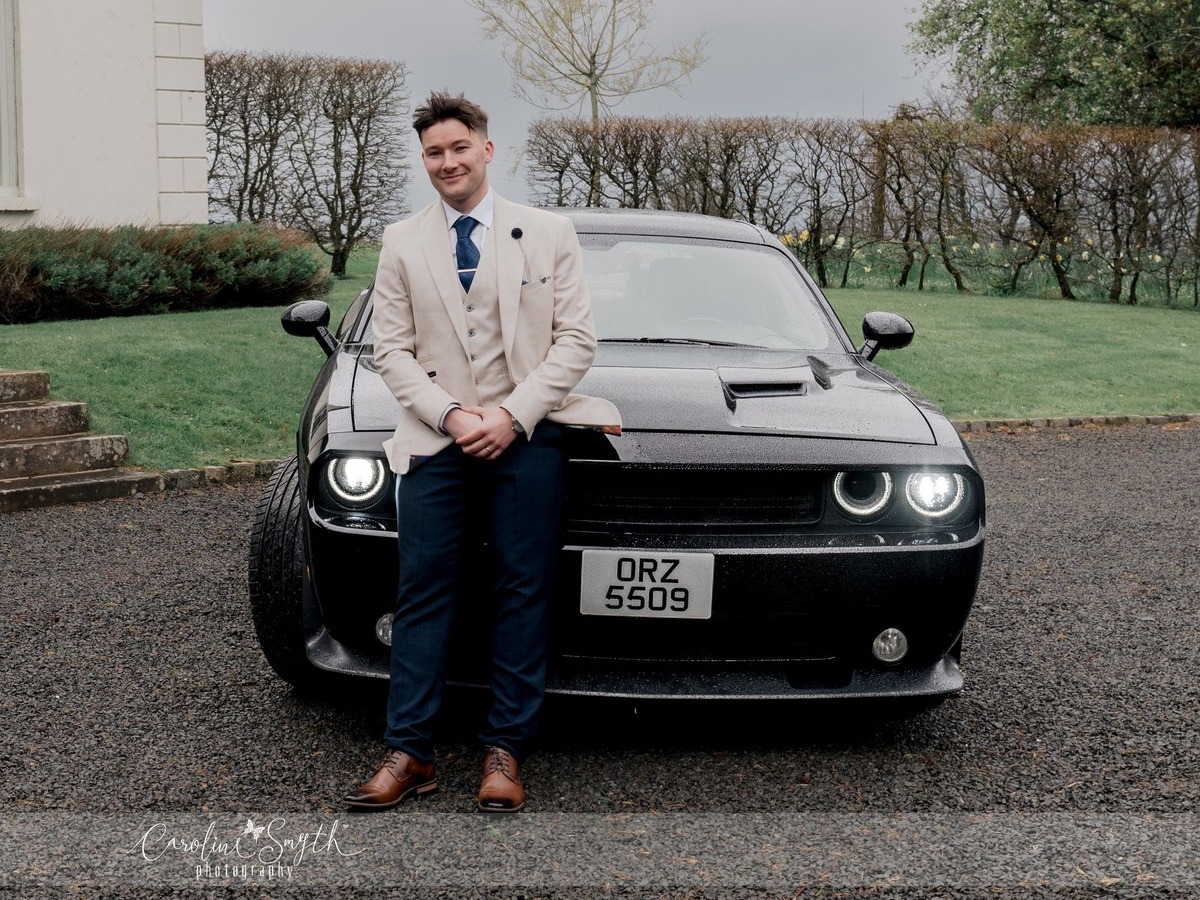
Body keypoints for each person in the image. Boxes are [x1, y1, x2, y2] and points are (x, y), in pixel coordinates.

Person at [343, 92, 619, 814]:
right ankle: (410, 752)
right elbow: (390, 352)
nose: (447, 162)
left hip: (527, 437)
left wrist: (513, 415)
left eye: (458, 149)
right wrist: (452, 414)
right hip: (437, 438)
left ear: (486, 151)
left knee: (523, 588)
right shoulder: (402, 242)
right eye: (433, 152)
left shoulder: (549, 232)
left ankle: (506, 749)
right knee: (423, 589)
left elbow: (576, 342)